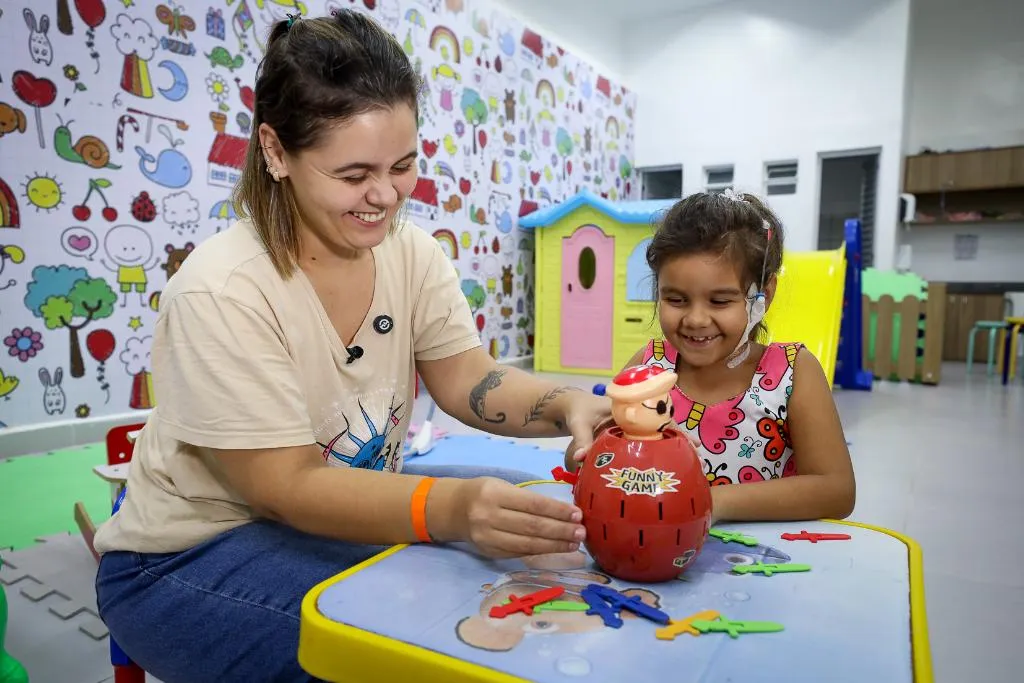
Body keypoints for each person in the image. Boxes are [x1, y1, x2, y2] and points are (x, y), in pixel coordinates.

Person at [93, 11, 610, 683]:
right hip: (186, 558)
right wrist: (452, 509)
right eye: (354, 173)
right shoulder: (222, 288)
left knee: (543, 521)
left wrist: (567, 401)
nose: (386, 195)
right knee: (425, 640)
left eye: (403, 165)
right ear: (276, 152)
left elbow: (467, 378)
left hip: (323, 515)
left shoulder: (412, 253)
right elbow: (288, 487)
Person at [567, 189, 855, 524]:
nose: (696, 319)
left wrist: (709, 502)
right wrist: (592, 448)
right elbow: (583, 459)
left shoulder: (793, 373)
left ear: (764, 295)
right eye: (676, 299)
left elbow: (836, 490)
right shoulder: (648, 368)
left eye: (719, 301)